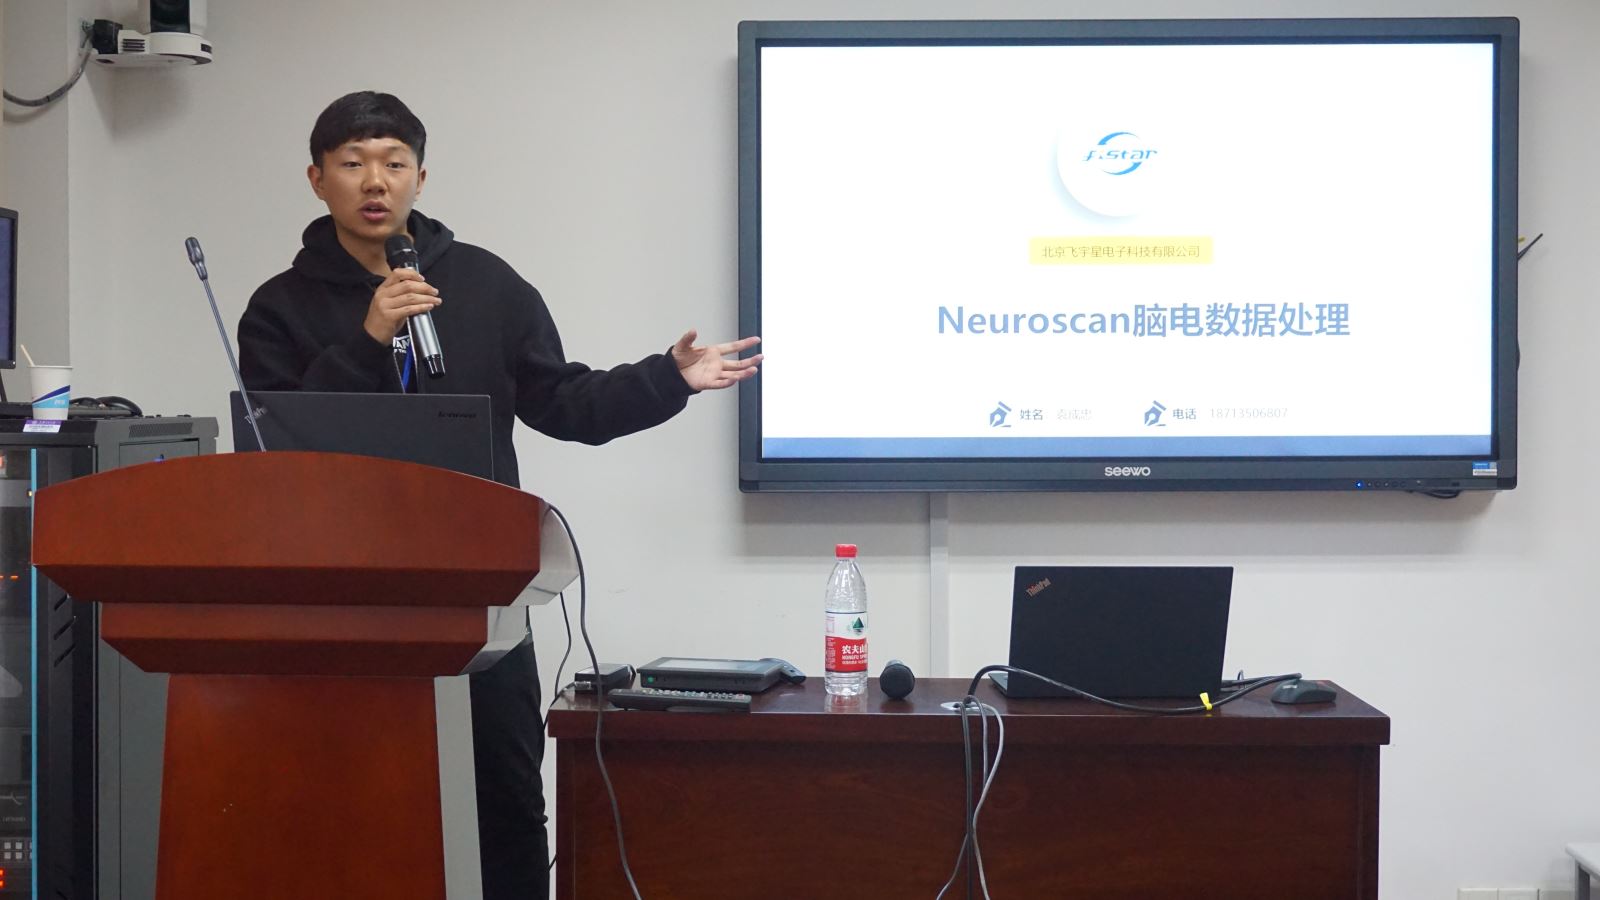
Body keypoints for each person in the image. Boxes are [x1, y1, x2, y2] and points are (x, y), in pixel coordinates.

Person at [237, 90, 759, 899]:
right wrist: (370, 337)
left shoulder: (485, 284)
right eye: (352, 163)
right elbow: (279, 446)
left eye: (394, 163)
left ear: (419, 177)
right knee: (351, 804)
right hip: (343, 600)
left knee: (506, 799)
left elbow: (567, 403)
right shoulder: (279, 308)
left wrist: (669, 378)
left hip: (480, 591)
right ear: (317, 179)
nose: (374, 181)